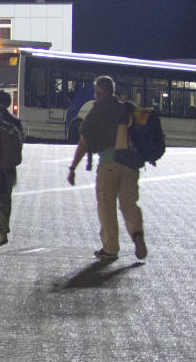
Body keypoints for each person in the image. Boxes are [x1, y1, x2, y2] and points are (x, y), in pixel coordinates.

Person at [67, 76, 147, 261]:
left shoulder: (98, 110)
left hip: (109, 166)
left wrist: (73, 168)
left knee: (106, 207)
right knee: (129, 205)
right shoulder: (125, 108)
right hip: (130, 165)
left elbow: (84, 141)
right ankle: (137, 235)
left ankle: (110, 249)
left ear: (99, 92)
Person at [0, 90, 24, 246]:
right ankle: (1, 232)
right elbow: (20, 143)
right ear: (9, 103)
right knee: (3, 200)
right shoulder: (15, 121)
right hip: (7, 168)